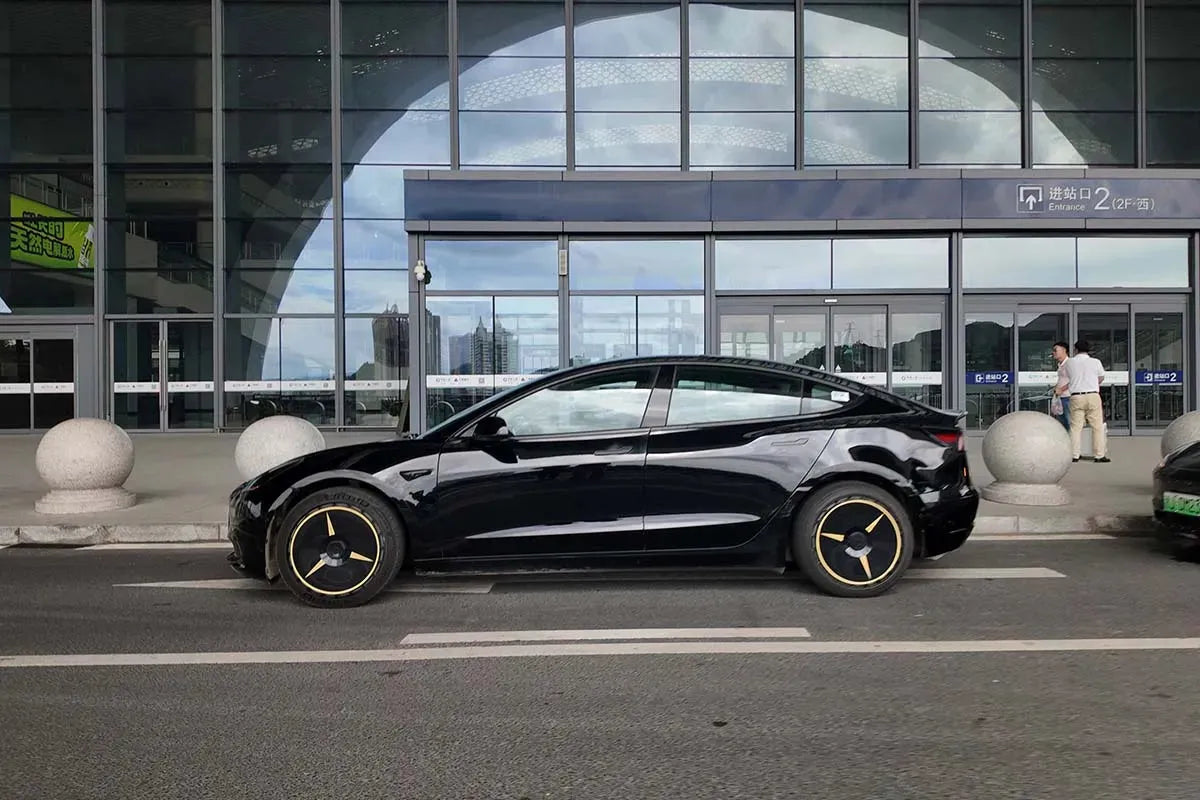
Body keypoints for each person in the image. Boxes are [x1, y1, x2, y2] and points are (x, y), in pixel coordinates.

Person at [1058, 339, 1109, 464]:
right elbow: (1101, 377)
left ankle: (1075, 455)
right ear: (1089, 350)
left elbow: (1070, 377)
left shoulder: (1070, 363)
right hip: (1092, 395)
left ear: (1075, 350)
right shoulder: (1096, 362)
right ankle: (1099, 455)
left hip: (1076, 396)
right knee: (1097, 427)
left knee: (1075, 427)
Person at [1051, 341, 1070, 431]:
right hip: (1061, 398)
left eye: (1055, 350)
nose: (1053, 352)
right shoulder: (1060, 365)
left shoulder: (1070, 364)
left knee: (1069, 423)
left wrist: (1061, 389)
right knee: (1061, 424)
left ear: (1064, 350)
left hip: (1068, 397)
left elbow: (1074, 380)